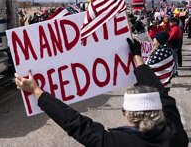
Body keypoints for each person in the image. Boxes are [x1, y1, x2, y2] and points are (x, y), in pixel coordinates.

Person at [14, 38, 188, 147]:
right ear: (158, 110)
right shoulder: (175, 132)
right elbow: (162, 95)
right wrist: (137, 57)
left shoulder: (118, 142)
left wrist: (36, 90)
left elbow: (76, 124)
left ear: (128, 115)